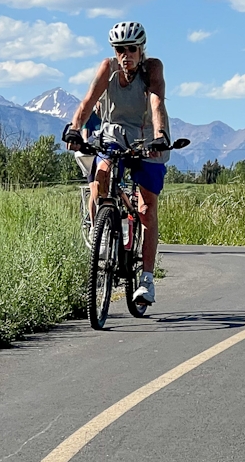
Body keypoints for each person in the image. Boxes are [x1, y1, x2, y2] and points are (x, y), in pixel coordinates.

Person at [63, 21, 170, 305]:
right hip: (113, 134)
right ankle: (101, 225)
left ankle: (146, 278)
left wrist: (160, 136)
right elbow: (88, 101)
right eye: (120, 49)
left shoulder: (152, 70)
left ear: (141, 49)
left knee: (146, 209)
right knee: (101, 175)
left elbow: (157, 104)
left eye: (131, 49)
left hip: (148, 138)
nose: (126, 55)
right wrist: (75, 128)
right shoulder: (107, 69)